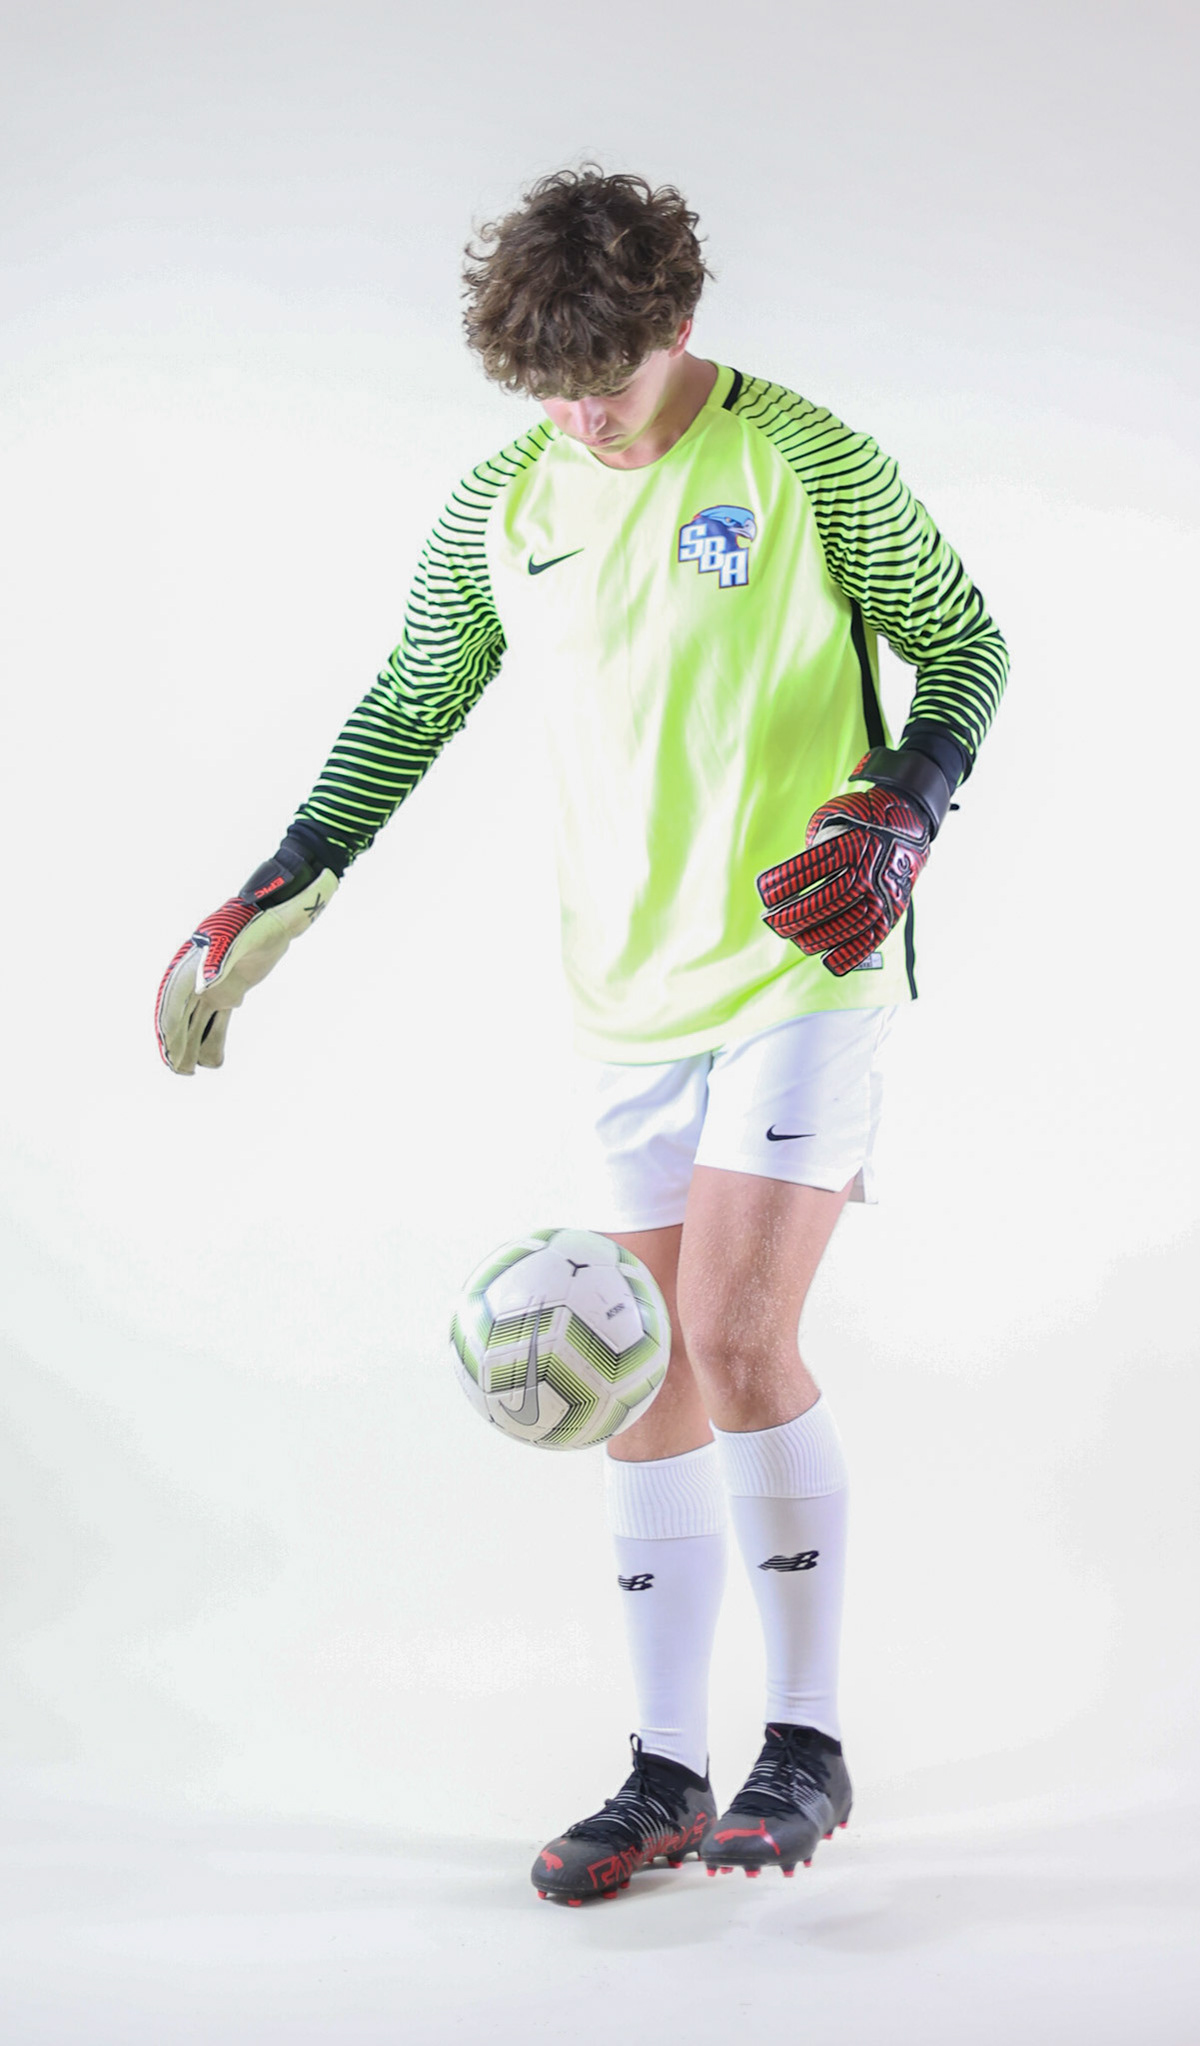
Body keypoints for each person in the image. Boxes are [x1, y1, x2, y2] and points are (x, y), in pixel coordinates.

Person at [156, 168, 1008, 1905]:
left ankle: (810, 1741)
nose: (585, 423)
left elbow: (965, 643)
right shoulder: (502, 498)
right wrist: (277, 883)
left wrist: (913, 790)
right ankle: (666, 1771)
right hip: (624, 990)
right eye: (553, 392)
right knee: (640, 1372)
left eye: (608, 387)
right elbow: (411, 699)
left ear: (678, 329)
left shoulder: (803, 457)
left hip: (803, 961)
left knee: (734, 1324)